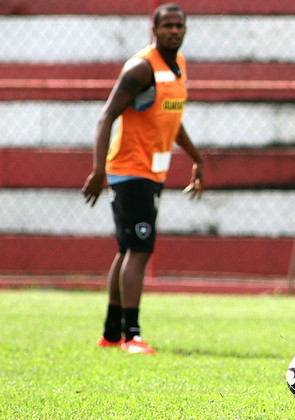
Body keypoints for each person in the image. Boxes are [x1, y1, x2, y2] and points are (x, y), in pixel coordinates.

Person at [81, 3, 204, 355]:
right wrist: (99, 169)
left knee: (127, 250)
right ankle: (131, 336)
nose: (174, 31)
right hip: (129, 170)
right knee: (140, 248)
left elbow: (172, 120)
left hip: (151, 173)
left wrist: (197, 159)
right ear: (154, 29)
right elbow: (106, 116)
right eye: (167, 25)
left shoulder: (177, 66)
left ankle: (110, 333)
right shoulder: (141, 67)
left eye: (179, 26)